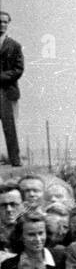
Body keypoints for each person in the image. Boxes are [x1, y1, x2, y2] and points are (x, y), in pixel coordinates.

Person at [0, 11, 22, 166]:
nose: (2, 24)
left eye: (5, 22)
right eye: (0, 21)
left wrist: (1, 76)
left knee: (10, 127)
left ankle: (15, 160)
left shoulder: (14, 45)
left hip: (7, 92)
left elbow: (18, 69)